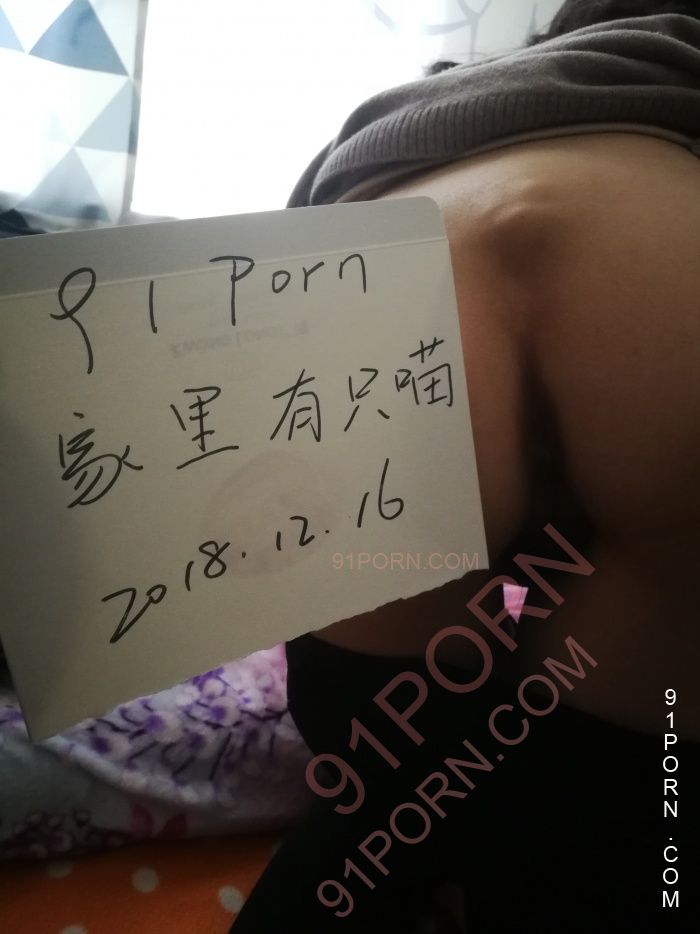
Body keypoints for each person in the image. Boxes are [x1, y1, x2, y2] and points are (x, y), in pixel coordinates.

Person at [232, 2, 700, 930]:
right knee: (615, 829)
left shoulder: (419, 99)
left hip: (368, 307)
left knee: (379, 794)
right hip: (661, 288)